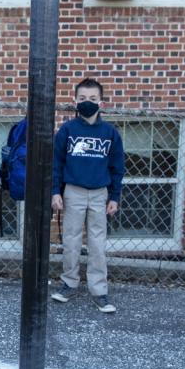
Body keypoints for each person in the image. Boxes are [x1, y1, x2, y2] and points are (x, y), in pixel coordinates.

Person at [50, 77, 125, 314]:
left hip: (100, 193)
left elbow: (117, 167)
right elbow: (57, 163)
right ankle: (69, 283)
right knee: (71, 241)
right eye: (82, 98)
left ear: (101, 102)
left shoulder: (109, 132)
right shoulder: (68, 130)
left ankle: (99, 290)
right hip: (73, 191)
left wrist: (114, 196)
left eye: (92, 99)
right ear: (75, 100)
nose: (87, 102)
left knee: (97, 244)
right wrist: (55, 192)